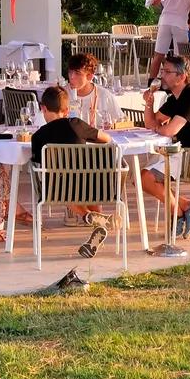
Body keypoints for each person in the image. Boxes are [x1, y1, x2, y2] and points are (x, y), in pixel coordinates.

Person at [27, 84, 110, 256]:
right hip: (91, 185)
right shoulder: (76, 124)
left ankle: (86, 215)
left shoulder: (38, 136)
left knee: (60, 184)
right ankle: (98, 222)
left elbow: (37, 164)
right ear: (66, 110)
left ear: (43, 108)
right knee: (89, 180)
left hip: (58, 190)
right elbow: (106, 139)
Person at [142, 56, 190, 239]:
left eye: (166, 72)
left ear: (181, 77)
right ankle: (185, 207)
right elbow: (151, 123)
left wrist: (161, 129)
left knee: (145, 179)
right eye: (162, 71)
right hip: (183, 153)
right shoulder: (175, 98)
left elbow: (169, 130)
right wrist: (149, 102)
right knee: (141, 178)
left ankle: (180, 213)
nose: (162, 76)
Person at [62, 50, 126, 130]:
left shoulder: (104, 95)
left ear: (89, 77)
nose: (71, 77)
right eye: (70, 72)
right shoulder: (62, 95)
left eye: (77, 73)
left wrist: (112, 126)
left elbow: (122, 122)